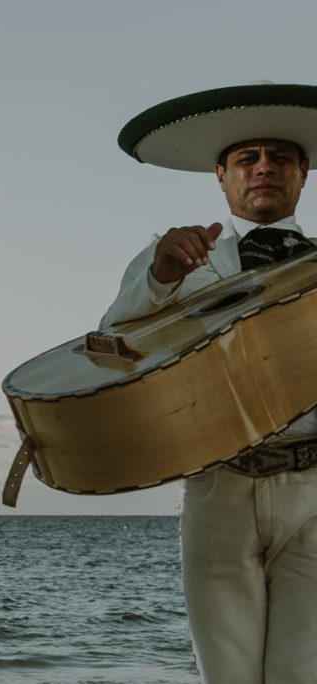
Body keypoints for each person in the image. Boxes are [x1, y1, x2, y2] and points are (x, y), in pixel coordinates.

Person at [103, 81, 317, 684]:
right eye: (247, 159)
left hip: (316, 484)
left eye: (280, 158)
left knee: (305, 672)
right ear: (220, 177)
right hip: (219, 484)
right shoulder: (170, 259)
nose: (264, 169)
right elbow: (113, 348)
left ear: (304, 174)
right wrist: (162, 276)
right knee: (225, 673)